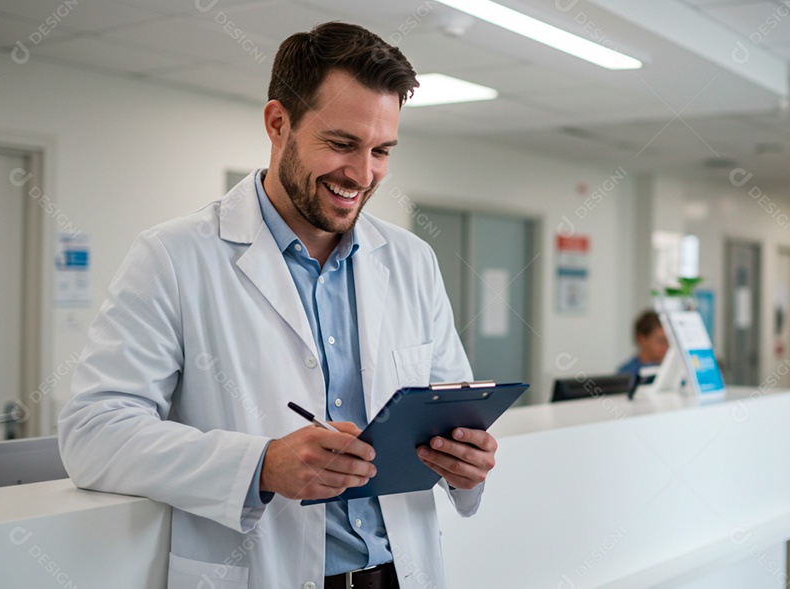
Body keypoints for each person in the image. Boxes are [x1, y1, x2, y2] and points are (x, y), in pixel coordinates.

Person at [58, 22, 497, 589]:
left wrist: (467, 463)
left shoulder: (411, 261)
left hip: (398, 573)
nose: (363, 175)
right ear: (277, 123)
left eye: (381, 150)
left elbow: (452, 409)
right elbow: (94, 433)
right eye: (341, 144)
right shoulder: (173, 255)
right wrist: (261, 465)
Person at [616, 310, 669, 376]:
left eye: (669, 342)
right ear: (641, 339)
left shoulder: (672, 371)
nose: (666, 347)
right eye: (661, 341)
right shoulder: (626, 374)